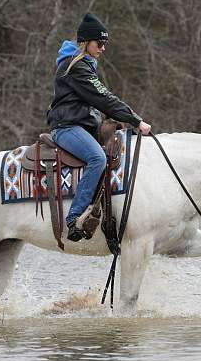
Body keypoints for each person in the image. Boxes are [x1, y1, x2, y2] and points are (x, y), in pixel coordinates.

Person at [47, 13, 152, 242]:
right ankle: (75, 218)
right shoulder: (75, 66)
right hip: (66, 128)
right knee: (98, 159)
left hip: (80, 126)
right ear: (86, 42)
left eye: (105, 43)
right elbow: (103, 97)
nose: (103, 48)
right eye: (100, 43)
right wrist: (136, 120)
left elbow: (97, 101)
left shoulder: (84, 64)